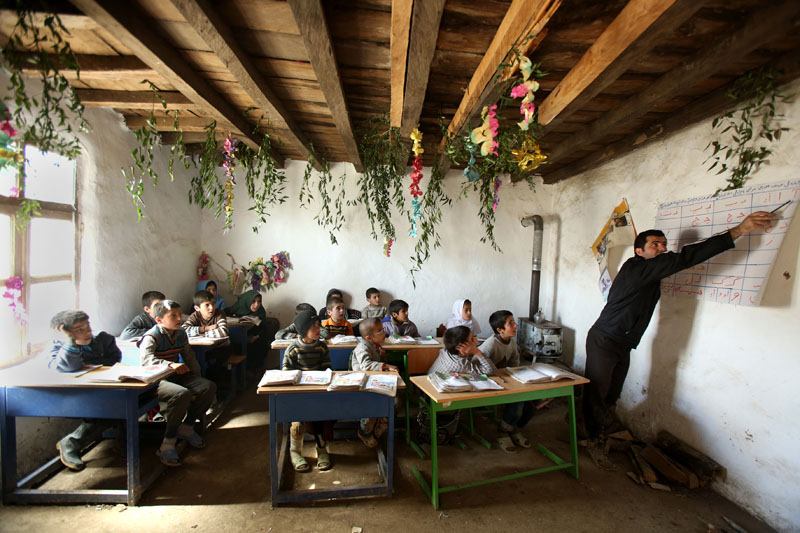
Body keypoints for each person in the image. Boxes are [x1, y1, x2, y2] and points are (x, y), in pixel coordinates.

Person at [583, 211, 775, 466]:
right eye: (655, 245)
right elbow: (685, 258)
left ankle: (586, 424)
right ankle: (593, 438)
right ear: (639, 251)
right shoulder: (637, 268)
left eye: (664, 244)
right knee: (597, 392)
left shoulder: (649, 272)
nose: (662, 249)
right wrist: (737, 231)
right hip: (604, 340)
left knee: (611, 393)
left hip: (623, 343)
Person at [139, 300, 216, 467]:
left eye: (179, 314)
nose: (179, 318)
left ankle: (187, 427)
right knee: (182, 394)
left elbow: (189, 357)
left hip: (176, 376)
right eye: (172, 315)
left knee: (208, 387)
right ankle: (168, 442)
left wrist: (198, 379)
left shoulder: (180, 333)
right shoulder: (151, 336)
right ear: (159, 320)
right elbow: (146, 360)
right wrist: (169, 364)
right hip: (156, 381)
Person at [49, 310, 122, 471]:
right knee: (112, 408)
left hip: (103, 390)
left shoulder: (101, 340)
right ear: (64, 333)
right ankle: (72, 442)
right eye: (79, 330)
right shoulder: (58, 347)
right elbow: (65, 367)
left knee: (121, 403)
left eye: (87, 326)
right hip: (73, 397)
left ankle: (121, 442)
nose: (87, 332)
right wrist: (70, 342)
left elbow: (114, 359)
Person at [282, 310, 333, 472]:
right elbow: (286, 375)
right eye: (313, 326)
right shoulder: (292, 350)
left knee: (320, 419)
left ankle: (322, 449)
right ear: (303, 330)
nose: (318, 329)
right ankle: (295, 451)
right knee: (297, 424)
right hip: (298, 395)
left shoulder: (322, 347)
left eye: (319, 325)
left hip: (318, 393)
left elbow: (327, 370)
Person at [479, 310, 534, 453]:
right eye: (511, 323)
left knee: (535, 398)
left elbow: (515, 362)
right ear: (499, 330)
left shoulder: (511, 342)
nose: (516, 325)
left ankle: (514, 427)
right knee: (518, 397)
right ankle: (504, 430)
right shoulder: (490, 344)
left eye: (514, 321)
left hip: (505, 379)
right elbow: (476, 366)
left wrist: (516, 377)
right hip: (489, 381)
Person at [350, 318, 397, 448]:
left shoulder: (374, 345)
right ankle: (364, 432)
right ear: (369, 338)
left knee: (396, 400)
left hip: (374, 381)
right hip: (362, 385)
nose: (384, 332)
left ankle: (379, 426)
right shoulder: (362, 347)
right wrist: (385, 365)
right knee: (371, 408)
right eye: (380, 331)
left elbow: (374, 360)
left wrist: (381, 355)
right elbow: (366, 365)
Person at [227, 290, 270, 370]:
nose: (256, 305)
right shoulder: (238, 306)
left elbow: (262, 329)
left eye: (259, 301)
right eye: (253, 301)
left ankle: (251, 370)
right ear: (247, 300)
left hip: (253, 338)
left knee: (258, 346)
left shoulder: (260, 311)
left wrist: (255, 337)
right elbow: (225, 313)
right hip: (237, 337)